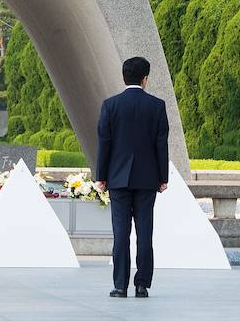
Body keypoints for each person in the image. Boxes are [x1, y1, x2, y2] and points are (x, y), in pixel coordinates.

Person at [95, 56, 169, 299]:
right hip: (147, 179)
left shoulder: (110, 105)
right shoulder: (157, 106)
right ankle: (142, 285)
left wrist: (101, 176)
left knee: (121, 233)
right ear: (145, 79)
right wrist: (162, 177)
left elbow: (104, 143)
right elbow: (161, 144)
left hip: (118, 180)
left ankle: (119, 285)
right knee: (145, 232)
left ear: (124, 76)